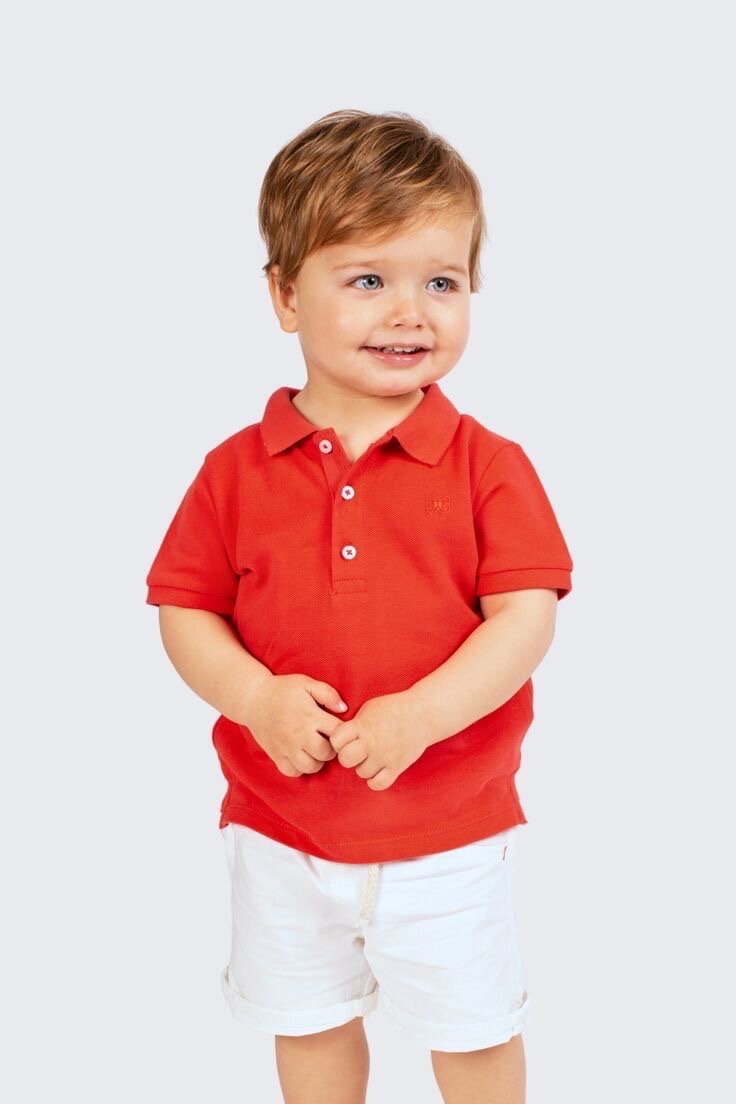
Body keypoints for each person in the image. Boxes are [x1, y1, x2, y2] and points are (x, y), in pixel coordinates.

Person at [145, 109, 573, 1104]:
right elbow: (185, 611)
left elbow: (525, 619)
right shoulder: (233, 471)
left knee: (473, 1031)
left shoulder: (490, 466)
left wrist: (422, 715)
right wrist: (255, 699)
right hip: (279, 827)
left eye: (442, 282)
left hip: (449, 828)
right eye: (368, 280)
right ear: (285, 296)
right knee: (308, 1023)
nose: (410, 312)